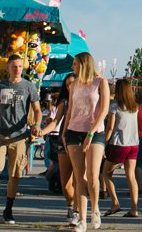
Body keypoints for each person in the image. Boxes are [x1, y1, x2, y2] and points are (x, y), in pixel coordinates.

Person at [0, 54, 44, 225]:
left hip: (20, 136)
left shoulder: (29, 86)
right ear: (7, 67)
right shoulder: (0, 86)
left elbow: (37, 109)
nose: (17, 70)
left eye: (20, 67)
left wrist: (37, 124)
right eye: (14, 66)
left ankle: (8, 210)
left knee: (15, 174)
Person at [65, 53, 111, 232]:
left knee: (92, 176)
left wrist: (91, 133)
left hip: (95, 132)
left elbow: (104, 110)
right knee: (79, 177)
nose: (73, 67)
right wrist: (64, 130)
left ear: (84, 64)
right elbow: (70, 109)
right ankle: (82, 219)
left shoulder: (101, 82)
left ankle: (95, 209)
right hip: (73, 131)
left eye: (75, 64)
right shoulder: (74, 84)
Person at [102, 78, 141, 218]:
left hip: (119, 144)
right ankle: (134, 208)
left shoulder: (114, 107)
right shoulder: (134, 107)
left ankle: (115, 203)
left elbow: (110, 128)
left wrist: (104, 144)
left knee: (106, 174)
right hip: (133, 144)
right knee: (131, 176)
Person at [48, 75, 78, 223]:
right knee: (65, 183)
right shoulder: (64, 103)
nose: (70, 87)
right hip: (63, 142)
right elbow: (55, 121)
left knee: (80, 179)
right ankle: (71, 204)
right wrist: (42, 131)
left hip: (80, 142)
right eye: (67, 85)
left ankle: (78, 211)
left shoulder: (88, 99)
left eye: (72, 83)